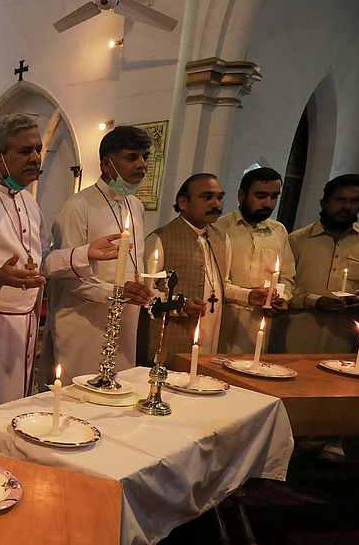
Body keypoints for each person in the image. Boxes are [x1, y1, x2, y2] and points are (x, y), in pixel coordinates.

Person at [0, 113, 121, 425]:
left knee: (7, 421)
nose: (35, 157)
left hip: (22, 329)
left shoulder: (28, 203)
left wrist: (84, 252)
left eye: (37, 149)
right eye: (24, 151)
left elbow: (39, 265)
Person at [51, 126, 153, 378]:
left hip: (125, 321)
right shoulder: (77, 207)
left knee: (117, 397)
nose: (141, 164)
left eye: (145, 156)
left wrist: (146, 290)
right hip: (84, 323)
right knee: (79, 399)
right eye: (132, 157)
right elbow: (68, 274)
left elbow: (134, 263)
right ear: (107, 164)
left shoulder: (136, 205)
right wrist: (115, 292)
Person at [142, 174, 246, 360]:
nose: (216, 204)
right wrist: (181, 305)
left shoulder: (223, 239)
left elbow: (221, 286)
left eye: (220, 197)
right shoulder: (160, 239)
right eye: (207, 197)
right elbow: (147, 294)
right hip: (173, 336)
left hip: (211, 335)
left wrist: (249, 296)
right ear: (183, 202)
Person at [278, 174, 359, 353]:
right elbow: (284, 287)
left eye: (355, 201)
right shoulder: (298, 240)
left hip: (345, 338)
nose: (347, 207)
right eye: (340, 200)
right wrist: (315, 301)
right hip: (297, 335)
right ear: (324, 202)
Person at [214, 166, 294, 354]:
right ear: (241, 196)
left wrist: (281, 298)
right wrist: (247, 295)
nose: (268, 203)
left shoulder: (279, 231)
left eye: (274, 197)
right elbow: (213, 281)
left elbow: (287, 277)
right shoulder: (219, 228)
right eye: (261, 196)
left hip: (260, 321)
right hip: (225, 319)